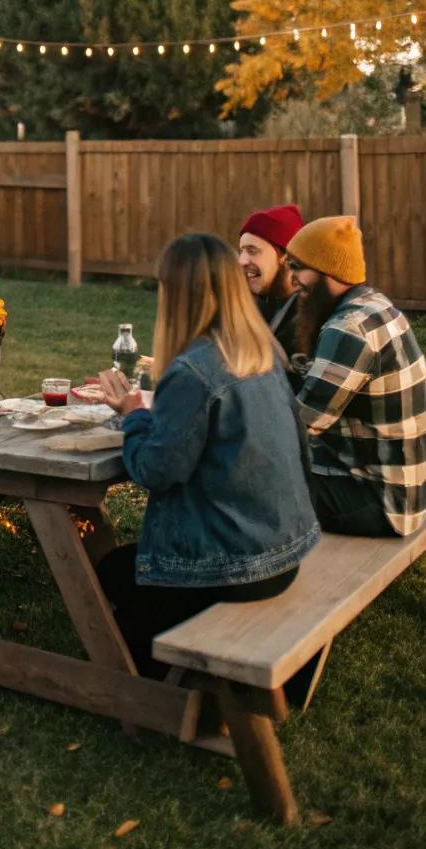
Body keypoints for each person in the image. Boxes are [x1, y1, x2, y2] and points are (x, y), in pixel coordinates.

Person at [96, 232, 319, 676]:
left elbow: (156, 470)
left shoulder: (193, 369)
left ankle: (159, 686)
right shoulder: (261, 354)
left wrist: (133, 414)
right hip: (285, 550)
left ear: (177, 294)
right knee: (123, 568)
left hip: (232, 568)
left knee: (110, 572)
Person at [285, 216, 426, 537]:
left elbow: (300, 424)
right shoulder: (375, 305)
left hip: (381, 502)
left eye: (297, 266)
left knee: (252, 484)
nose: (292, 278)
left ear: (329, 270)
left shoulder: (348, 328)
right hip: (409, 488)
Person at [238, 203, 305, 378]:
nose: (242, 260)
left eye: (252, 251)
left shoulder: (308, 319)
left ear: (286, 255)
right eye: (242, 251)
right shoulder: (262, 303)